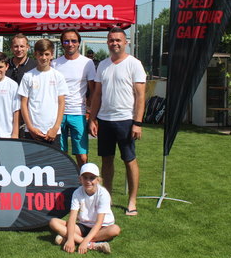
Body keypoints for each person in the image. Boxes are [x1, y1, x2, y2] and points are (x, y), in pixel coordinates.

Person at [88, 27, 146, 216]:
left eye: (118, 40)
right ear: (107, 42)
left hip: (126, 121)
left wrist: (137, 123)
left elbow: (140, 96)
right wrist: (93, 118)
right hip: (104, 120)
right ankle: (107, 199)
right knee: (106, 161)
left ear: (126, 42)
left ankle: (132, 201)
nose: (115, 43)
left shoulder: (134, 64)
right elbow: (97, 94)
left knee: (129, 160)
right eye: (111, 40)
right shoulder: (103, 65)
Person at [48, 163, 120, 254]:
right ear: (80, 179)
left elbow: (99, 222)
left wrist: (84, 241)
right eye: (85, 177)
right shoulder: (77, 193)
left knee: (115, 229)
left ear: (98, 180)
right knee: (53, 222)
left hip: (102, 227)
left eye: (92, 178)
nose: (88, 181)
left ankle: (74, 238)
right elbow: (72, 217)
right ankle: (91, 245)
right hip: (84, 226)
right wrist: (70, 240)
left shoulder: (103, 194)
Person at [52, 29, 96, 167]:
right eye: (66, 41)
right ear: (62, 44)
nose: (70, 44)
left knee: (82, 156)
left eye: (73, 41)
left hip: (78, 113)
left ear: (78, 43)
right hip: (57, 114)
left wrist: (92, 116)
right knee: (60, 154)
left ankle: (83, 184)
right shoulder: (54, 64)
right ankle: (63, 185)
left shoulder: (87, 63)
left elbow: (93, 91)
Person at [18, 39, 68, 148]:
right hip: (32, 131)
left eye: (47, 54)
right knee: (31, 164)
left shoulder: (58, 76)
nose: (44, 58)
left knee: (53, 164)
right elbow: (23, 103)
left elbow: (61, 103)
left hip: (52, 131)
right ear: (35, 54)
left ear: (52, 55)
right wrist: (30, 127)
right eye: (41, 54)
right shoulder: (28, 76)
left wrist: (55, 128)